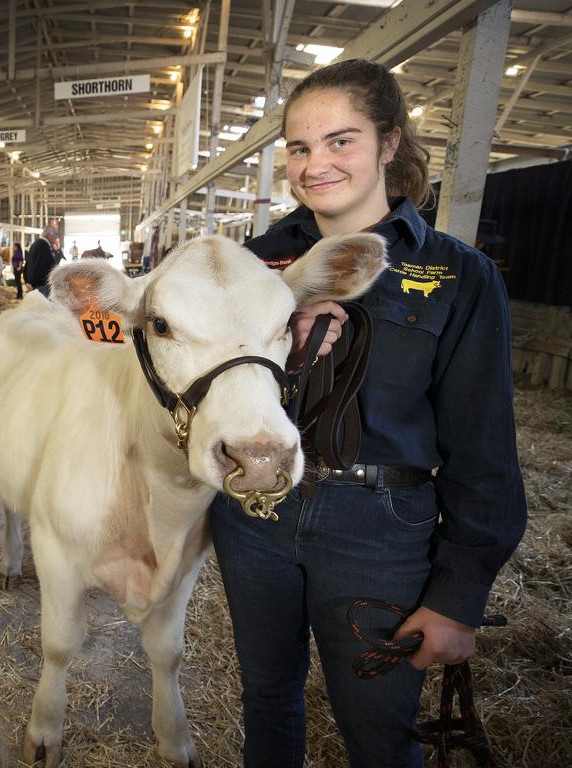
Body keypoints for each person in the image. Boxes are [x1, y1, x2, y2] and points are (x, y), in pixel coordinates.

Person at [207, 59, 527, 768]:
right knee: (266, 695)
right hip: (255, 513)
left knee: (380, 727)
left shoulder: (455, 275)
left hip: (379, 525)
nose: (315, 164)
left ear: (389, 143)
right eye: (298, 147)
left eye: (341, 141)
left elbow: (483, 449)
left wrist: (459, 595)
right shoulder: (249, 264)